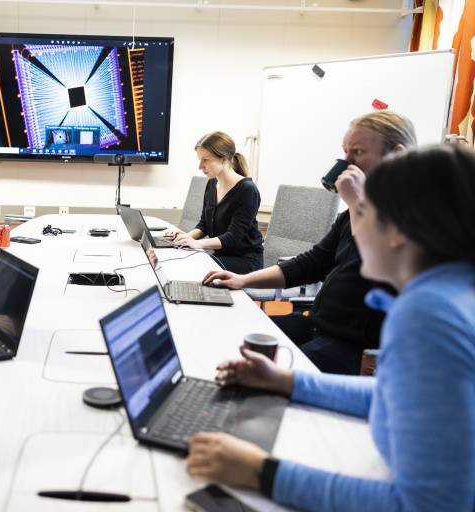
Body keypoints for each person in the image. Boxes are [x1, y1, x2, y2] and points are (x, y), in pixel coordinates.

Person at [187, 144, 475, 511]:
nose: (354, 224)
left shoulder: (428, 315)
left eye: (363, 211)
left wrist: (261, 471)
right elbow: (390, 396)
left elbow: (428, 505)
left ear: (397, 232)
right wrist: (286, 381)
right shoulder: (449, 293)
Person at [203, 111, 417, 374]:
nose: (346, 163)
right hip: (317, 326)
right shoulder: (351, 215)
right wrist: (243, 280)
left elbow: (380, 267)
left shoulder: (415, 218)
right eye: (345, 152)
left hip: (354, 347)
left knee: (257, 374)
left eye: (358, 153)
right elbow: (313, 262)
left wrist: (357, 204)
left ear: (396, 156)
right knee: (229, 337)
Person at [165, 131, 264, 274]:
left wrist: (197, 243)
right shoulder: (212, 184)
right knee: (179, 259)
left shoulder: (247, 190)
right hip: (221, 257)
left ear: (224, 158)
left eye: (205, 160)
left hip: (245, 261)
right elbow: (204, 225)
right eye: (200, 160)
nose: (200, 166)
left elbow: (233, 238)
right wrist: (185, 237)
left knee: (191, 266)